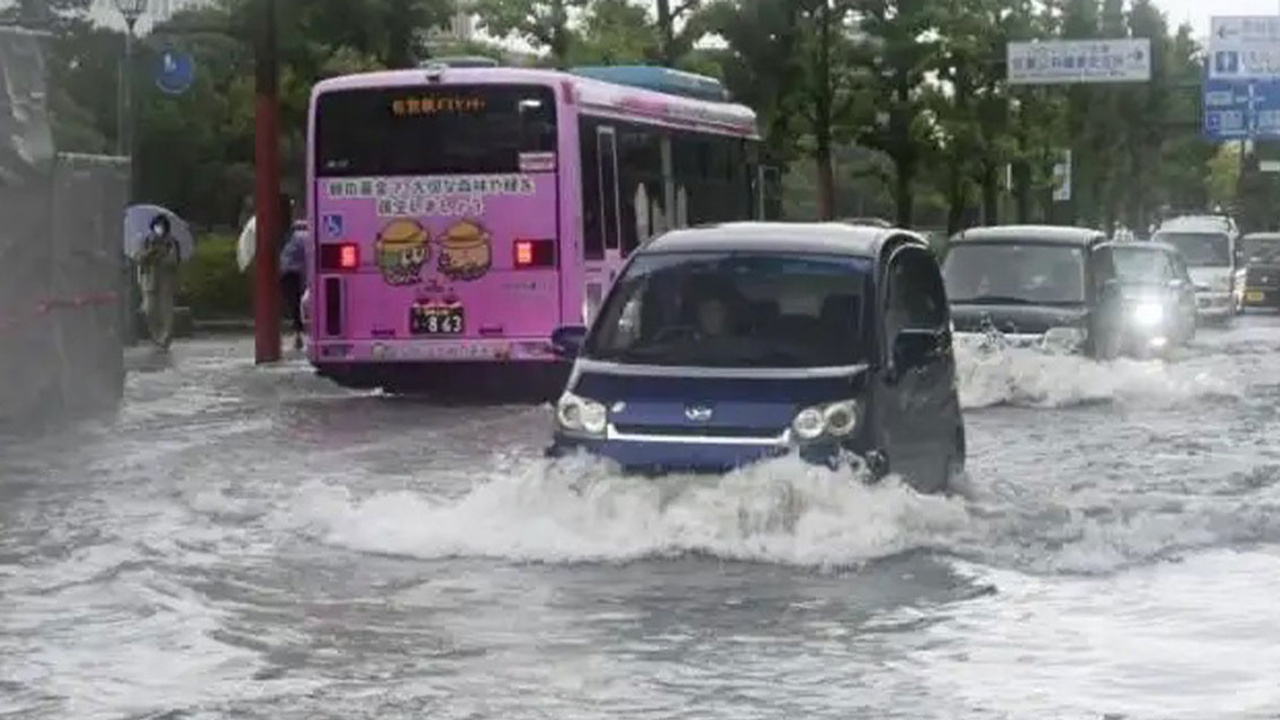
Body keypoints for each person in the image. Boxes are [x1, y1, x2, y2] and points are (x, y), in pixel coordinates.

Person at [136, 214, 181, 350]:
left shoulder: (171, 242)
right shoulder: (146, 241)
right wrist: (150, 253)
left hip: (166, 280)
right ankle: (155, 335)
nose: (159, 228)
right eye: (157, 225)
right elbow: (139, 257)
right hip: (149, 280)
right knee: (149, 309)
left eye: (162, 225)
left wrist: (162, 255)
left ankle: (165, 337)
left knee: (166, 311)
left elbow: (174, 260)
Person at [278, 194, 307, 351]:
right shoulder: (281, 235)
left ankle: (297, 335)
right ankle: (296, 334)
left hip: (291, 274)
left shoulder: (296, 237)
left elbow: (304, 258)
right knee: (290, 305)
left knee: (293, 304)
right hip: (286, 273)